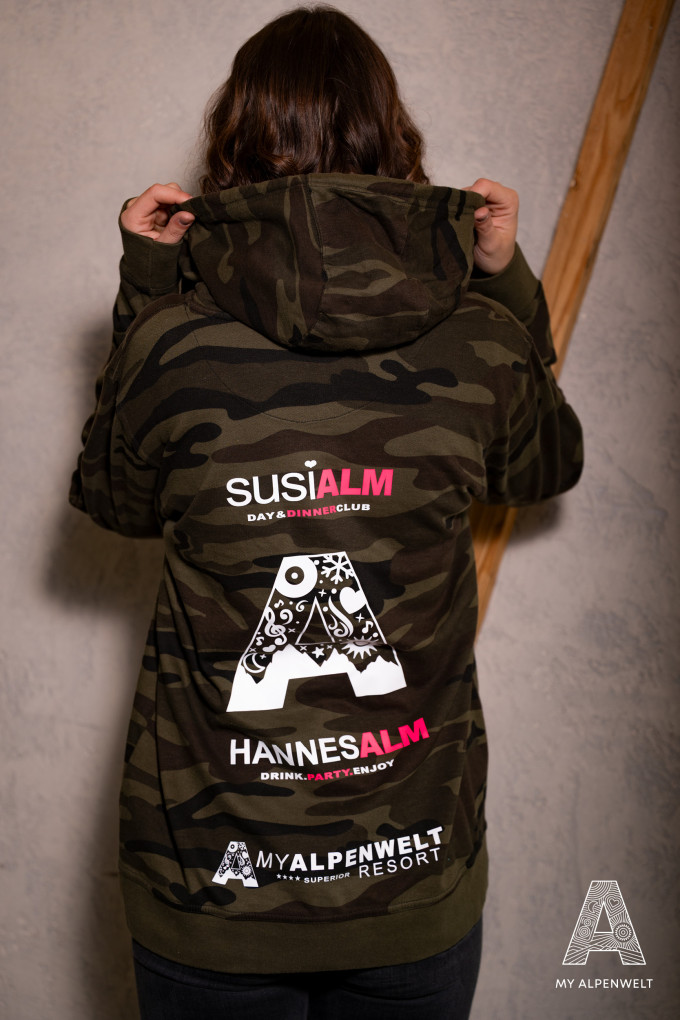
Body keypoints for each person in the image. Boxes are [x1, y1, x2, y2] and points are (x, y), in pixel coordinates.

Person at [70, 6, 582, 1018]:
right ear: (391, 137)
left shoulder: (172, 346)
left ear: (233, 142)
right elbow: (545, 461)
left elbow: (113, 498)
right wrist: (506, 283)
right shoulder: (478, 343)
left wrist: (148, 287)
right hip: (412, 880)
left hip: (210, 886)